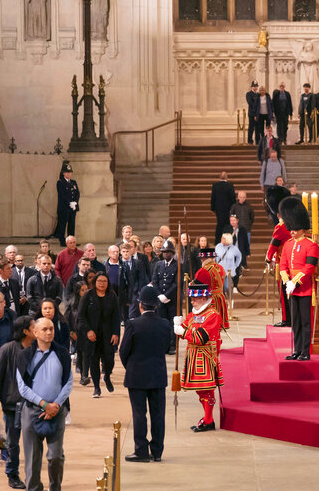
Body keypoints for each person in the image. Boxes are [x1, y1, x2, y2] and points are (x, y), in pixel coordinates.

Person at [15, 317, 71, 491]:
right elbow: (22, 387)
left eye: (51, 329)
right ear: (35, 333)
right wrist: (43, 404)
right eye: (45, 329)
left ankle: (55, 487)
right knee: (32, 459)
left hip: (56, 412)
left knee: (55, 456)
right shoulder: (24, 355)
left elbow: (68, 383)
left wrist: (55, 405)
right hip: (32, 412)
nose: (49, 332)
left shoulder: (62, 353)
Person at [120, 285, 173, 462]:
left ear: (140, 305)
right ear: (156, 306)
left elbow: (123, 351)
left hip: (137, 376)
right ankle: (157, 452)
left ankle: (141, 451)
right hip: (157, 375)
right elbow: (166, 348)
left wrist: (132, 367)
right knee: (158, 415)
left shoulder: (133, 324)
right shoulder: (165, 324)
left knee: (139, 414)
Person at [173, 272, 224, 432]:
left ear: (203, 298)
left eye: (194, 299)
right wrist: (179, 326)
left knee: (206, 390)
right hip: (193, 356)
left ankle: (209, 420)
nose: (192, 301)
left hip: (205, 356)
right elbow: (187, 329)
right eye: (191, 299)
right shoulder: (193, 314)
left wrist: (182, 332)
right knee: (199, 390)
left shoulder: (212, 315)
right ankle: (207, 418)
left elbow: (200, 337)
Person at [0, 316, 33, 489]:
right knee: (13, 442)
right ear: (25, 331)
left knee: (33, 442)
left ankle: (33, 474)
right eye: (33, 327)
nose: (37, 329)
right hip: (12, 404)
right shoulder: (7, 350)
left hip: (34, 404)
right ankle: (12, 474)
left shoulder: (38, 349)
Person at [279, 197, 319, 361]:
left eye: (295, 227)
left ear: (302, 228)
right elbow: (283, 265)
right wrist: (287, 281)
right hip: (291, 288)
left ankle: (305, 351)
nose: (292, 230)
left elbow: (309, 267)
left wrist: (295, 281)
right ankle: (296, 350)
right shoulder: (288, 244)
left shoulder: (311, 245)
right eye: (291, 227)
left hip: (304, 289)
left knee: (305, 322)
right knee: (295, 322)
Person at [77, 273, 120, 398]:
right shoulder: (88, 295)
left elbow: (116, 317)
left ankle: (107, 376)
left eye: (105, 281)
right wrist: (88, 331)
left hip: (108, 335)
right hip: (92, 335)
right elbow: (81, 316)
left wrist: (116, 333)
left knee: (109, 360)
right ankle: (96, 388)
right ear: (95, 282)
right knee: (93, 361)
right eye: (99, 281)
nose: (102, 283)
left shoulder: (112, 296)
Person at [265, 216, 292, 328]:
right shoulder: (298, 225)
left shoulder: (281, 226)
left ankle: (287, 319)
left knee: (284, 293)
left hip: (283, 263)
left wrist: (268, 257)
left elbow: (274, 244)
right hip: (296, 262)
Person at [53, 164, 79, 247]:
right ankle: (62, 241)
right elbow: (62, 195)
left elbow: (77, 193)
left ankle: (71, 242)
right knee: (63, 225)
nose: (69, 174)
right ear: (63, 173)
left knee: (72, 225)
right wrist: (69, 203)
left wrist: (75, 202)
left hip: (73, 207)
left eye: (70, 172)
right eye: (67, 172)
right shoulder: (60, 182)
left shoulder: (73, 182)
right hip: (64, 208)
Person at [210, 172, 236, 242]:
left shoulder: (215, 186)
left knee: (219, 224)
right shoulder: (230, 185)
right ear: (227, 177)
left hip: (218, 209)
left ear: (219, 177)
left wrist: (212, 209)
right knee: (227, 224)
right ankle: (228, 240)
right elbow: (233, 198)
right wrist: (233, 209)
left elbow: (213, 198)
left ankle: (218, 240)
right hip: (228, 209)